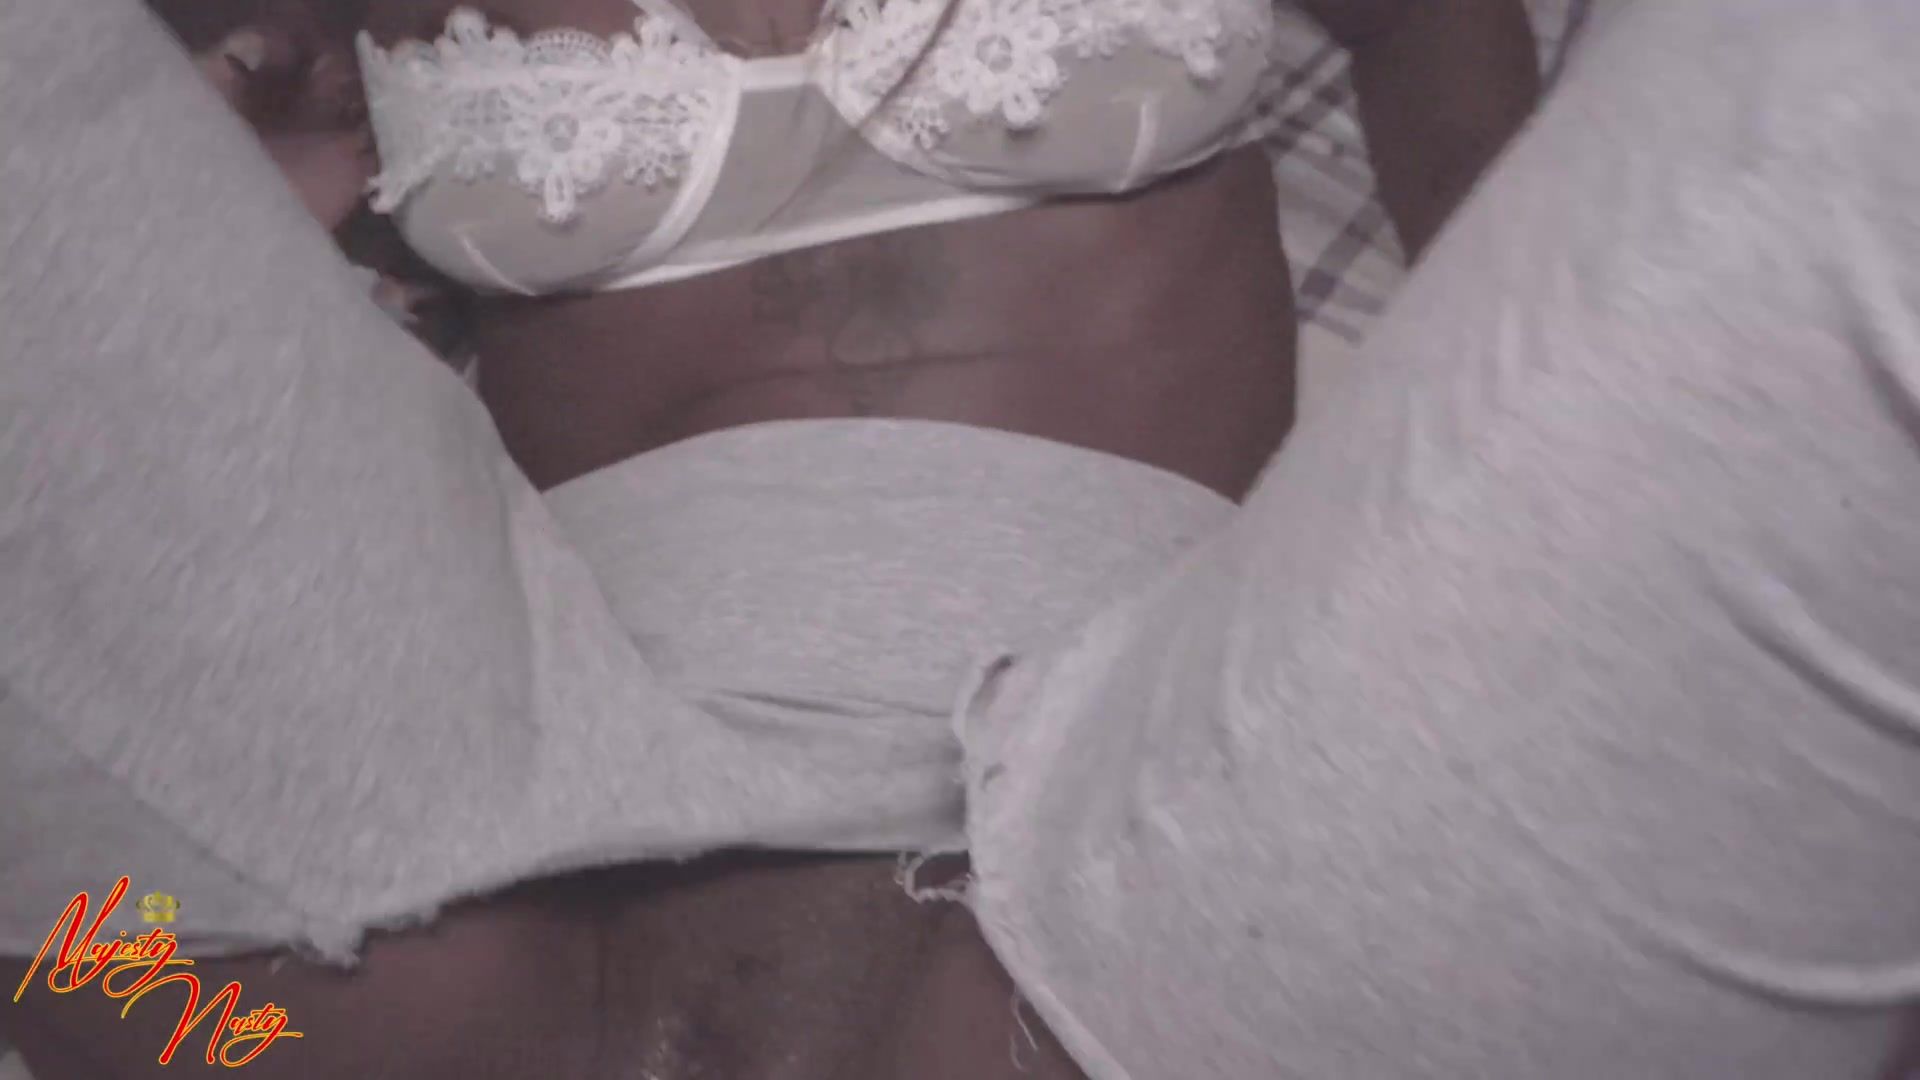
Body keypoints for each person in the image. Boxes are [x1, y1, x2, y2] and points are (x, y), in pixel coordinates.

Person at [2, 0, 1677, 1077]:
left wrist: (1518, 426)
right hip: (550, 747)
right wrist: (271, 166)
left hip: (1046, 738)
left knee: (93, 961)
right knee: (91, 948)